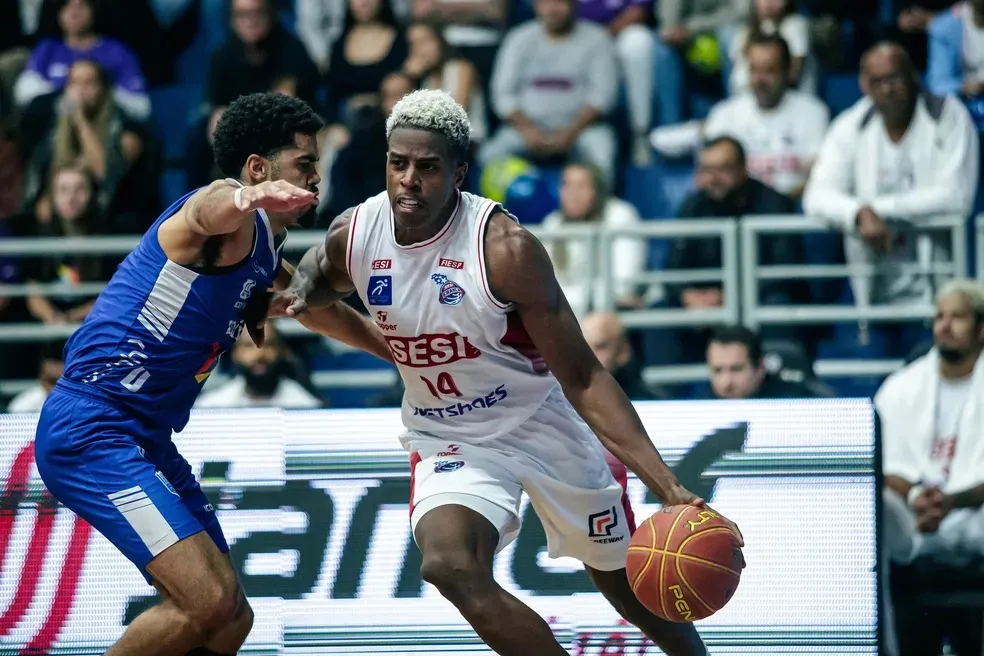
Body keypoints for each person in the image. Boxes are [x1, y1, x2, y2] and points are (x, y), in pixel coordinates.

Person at [276, 88, 743, 656]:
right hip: (450, 435)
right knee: (448, 565)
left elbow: (585, 376)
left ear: (459, 173)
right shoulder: (357, 232)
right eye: (398, 164)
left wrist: (666, 486)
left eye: (427, 167)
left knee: (621, 580)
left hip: (540, 420)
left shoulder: (504, 249)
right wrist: (299, 287)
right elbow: (318, 270)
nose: (409, 180)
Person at [32, 92, 391, 656]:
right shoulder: (215, 213)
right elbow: (212, 206)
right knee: (210, 602)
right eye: (304, 164)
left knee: (231, 620)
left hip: (145, 436)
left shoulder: (266, 246)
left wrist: (401, 353)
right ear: (257, 167)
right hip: (92, 428)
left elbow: (315, 306)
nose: (316, 177)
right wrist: (250, 195)